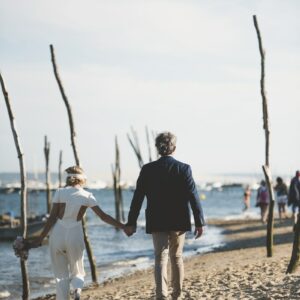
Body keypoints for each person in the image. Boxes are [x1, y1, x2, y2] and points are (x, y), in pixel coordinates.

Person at [26, 166, 128, 300]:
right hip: (75, 234)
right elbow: (103, 217)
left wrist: (40, 238)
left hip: (58, 234)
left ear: (68, 179)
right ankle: (77, 291)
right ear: (82, 180)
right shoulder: (87, 196)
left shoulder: (60, 192)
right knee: (78, 269)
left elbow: (51, 219)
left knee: (60, 276)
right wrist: (123, 226)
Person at [125, 132, 205, 300]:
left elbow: (137, 198)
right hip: (179, 219)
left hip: (157, 219)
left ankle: (161, 296)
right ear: (174, 148)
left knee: (160, 258)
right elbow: (193, 196)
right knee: (176, 257)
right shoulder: (183, 168)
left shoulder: (147, 169)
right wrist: (199, 222)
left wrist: (131, 222)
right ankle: (177, 295)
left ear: (157, 148)